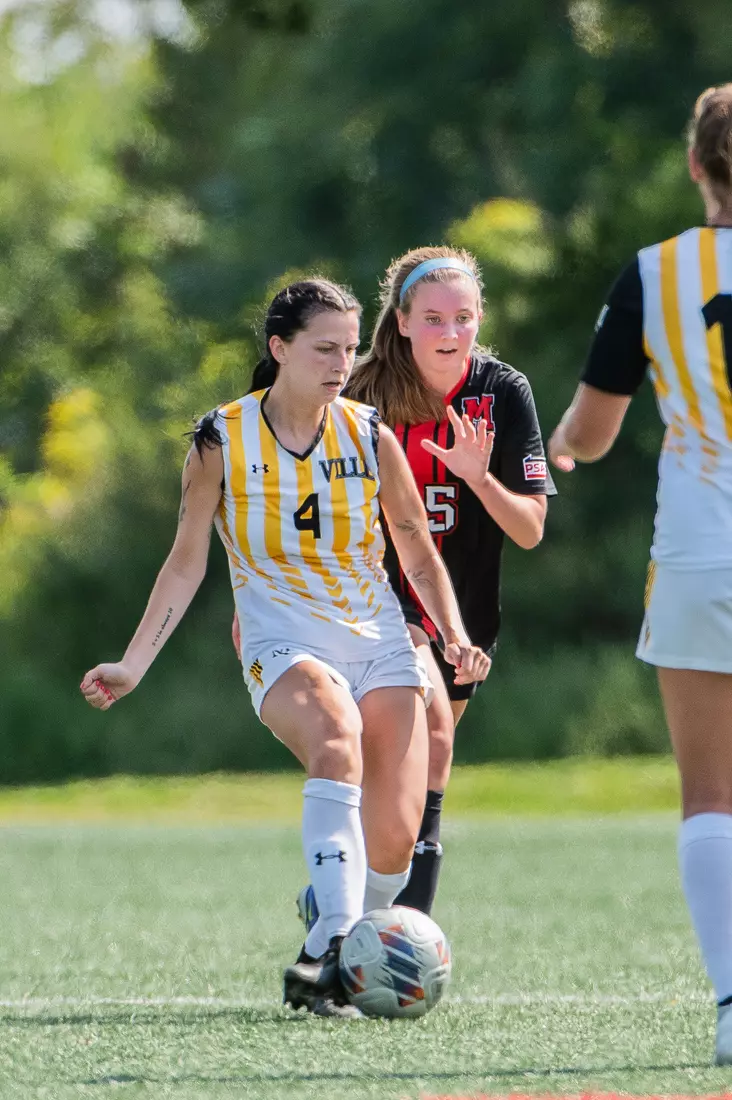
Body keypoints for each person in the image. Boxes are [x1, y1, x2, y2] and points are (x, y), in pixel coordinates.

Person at [80, 277, 489, 1018]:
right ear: (279, 348)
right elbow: (185, 560)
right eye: (324, 348)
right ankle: (333, 942)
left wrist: (454, 637)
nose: (342, 363)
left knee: (393, 846)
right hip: (283, 639)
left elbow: (418, 553)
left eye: (350, 348)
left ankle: (329, 904)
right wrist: (133, 661)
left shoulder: (370, 434)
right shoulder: (219, 440)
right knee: (337, 743)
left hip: (378, 638)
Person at [547, 84, 732, 1065]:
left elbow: (592, 427)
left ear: (698, 167)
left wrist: (563, 449)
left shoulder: (657, 271)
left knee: (712, 795)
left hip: (703, 554)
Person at [344, 245, 557, 916]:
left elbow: (529, 529)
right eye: (433, 318)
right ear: (401, 321)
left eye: (463, 318)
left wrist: (476, 475)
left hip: (463, 612)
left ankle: (352, 898)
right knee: (428, 737)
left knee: (424, 771)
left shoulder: (501, 393)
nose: (451, 333)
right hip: (377, 603)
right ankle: (394, 930)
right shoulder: (357, 394)